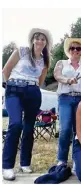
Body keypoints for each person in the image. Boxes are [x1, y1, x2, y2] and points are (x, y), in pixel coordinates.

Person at [2, 28, 53, 180]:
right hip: (14, 89)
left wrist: (32, 89)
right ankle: (7, 167)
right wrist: (9, 85)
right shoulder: (22, 51)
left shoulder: (45, 59)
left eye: (43, 39)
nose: (39, 41)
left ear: (46, 43)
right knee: (15, 124)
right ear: (32, 40)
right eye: (37, 38)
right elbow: (6, 70)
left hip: (33, 92)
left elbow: (41, 80)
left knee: (29, 127)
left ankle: (25, 163)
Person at [54, 38, 81, 169]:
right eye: (72, 48)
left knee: (79, 130)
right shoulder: (61, 63)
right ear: (68, 50)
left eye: (78, 48)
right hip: (65, 98)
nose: (75, 50)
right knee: (65, 129)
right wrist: (68, 80)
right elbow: (57, 76)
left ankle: (77, 159)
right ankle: (62, 159)